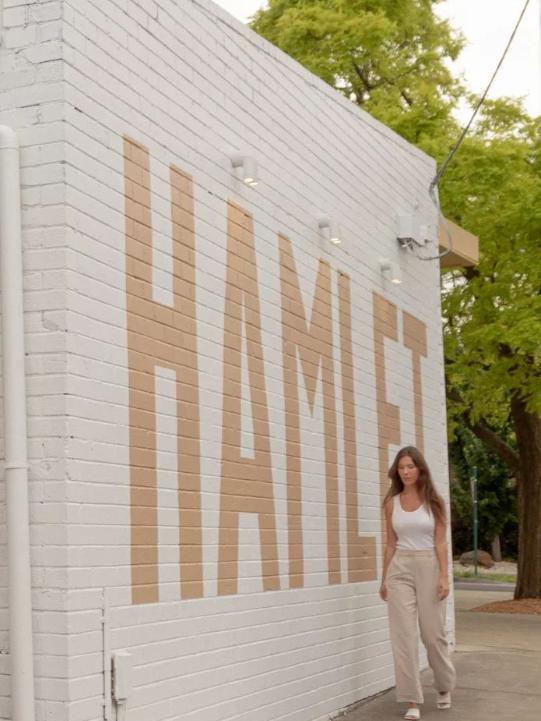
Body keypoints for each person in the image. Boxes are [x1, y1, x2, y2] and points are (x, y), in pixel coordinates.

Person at [379, 446, 456, 720]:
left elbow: (440, 542)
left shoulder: (435, 502)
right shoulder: (391, 502)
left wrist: (444, 576)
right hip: (400, 567)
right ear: (397, 471)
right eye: (402, 467)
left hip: (429, 565)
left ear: (421, 469)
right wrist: (384, 577)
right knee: (403, 635)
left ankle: (444, 686)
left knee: (433, 634)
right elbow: (390, 542)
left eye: (411, 466)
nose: (406, 471)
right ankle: (412, 699)